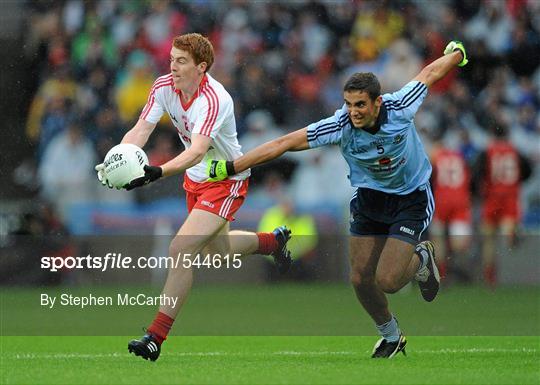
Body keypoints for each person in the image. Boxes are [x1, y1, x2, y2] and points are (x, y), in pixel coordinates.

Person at [207, 41, 469, 358]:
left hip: (409, 198)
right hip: (369, 200)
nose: (353, 112)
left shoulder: (400, 106)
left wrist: (456, 54)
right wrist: (233, 166)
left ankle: (422, 259)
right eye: (348, 104)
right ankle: (391, 335)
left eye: (360, 105)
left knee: (387, 280)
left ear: (377, 102)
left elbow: (429, 73)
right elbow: (285, 142)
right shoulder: (340, 125)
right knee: (360, 278)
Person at [95, 33, 292, 361]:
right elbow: (142, 129)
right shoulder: (162, 86)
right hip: (196, 179)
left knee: (180, 249)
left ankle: (155, 336)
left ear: (202, 67)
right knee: (221, 252)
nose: (173, 66)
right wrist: (119, 157)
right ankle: (273, 242)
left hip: (226, 179)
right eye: (172, 59)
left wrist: (157, 171)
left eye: (181, 61)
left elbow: (198, 150)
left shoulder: (215, 99)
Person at [473, 120, 532, 287]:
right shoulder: (516, 152)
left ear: (492, 134)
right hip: (510, 198)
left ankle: (490, 278)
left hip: (492, 198)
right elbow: (528, 171)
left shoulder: (487, 152)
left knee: (489, 240)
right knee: (507, 235)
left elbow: (477, 173)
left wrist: (481, 190)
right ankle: (514, 233)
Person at [430, 133, 473, 282]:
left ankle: (441, 273)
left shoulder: (436, 156)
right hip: (460, 200)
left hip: (441, 200)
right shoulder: (461, 157)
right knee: (459, 245)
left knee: (438, 238)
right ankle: (455, 270)